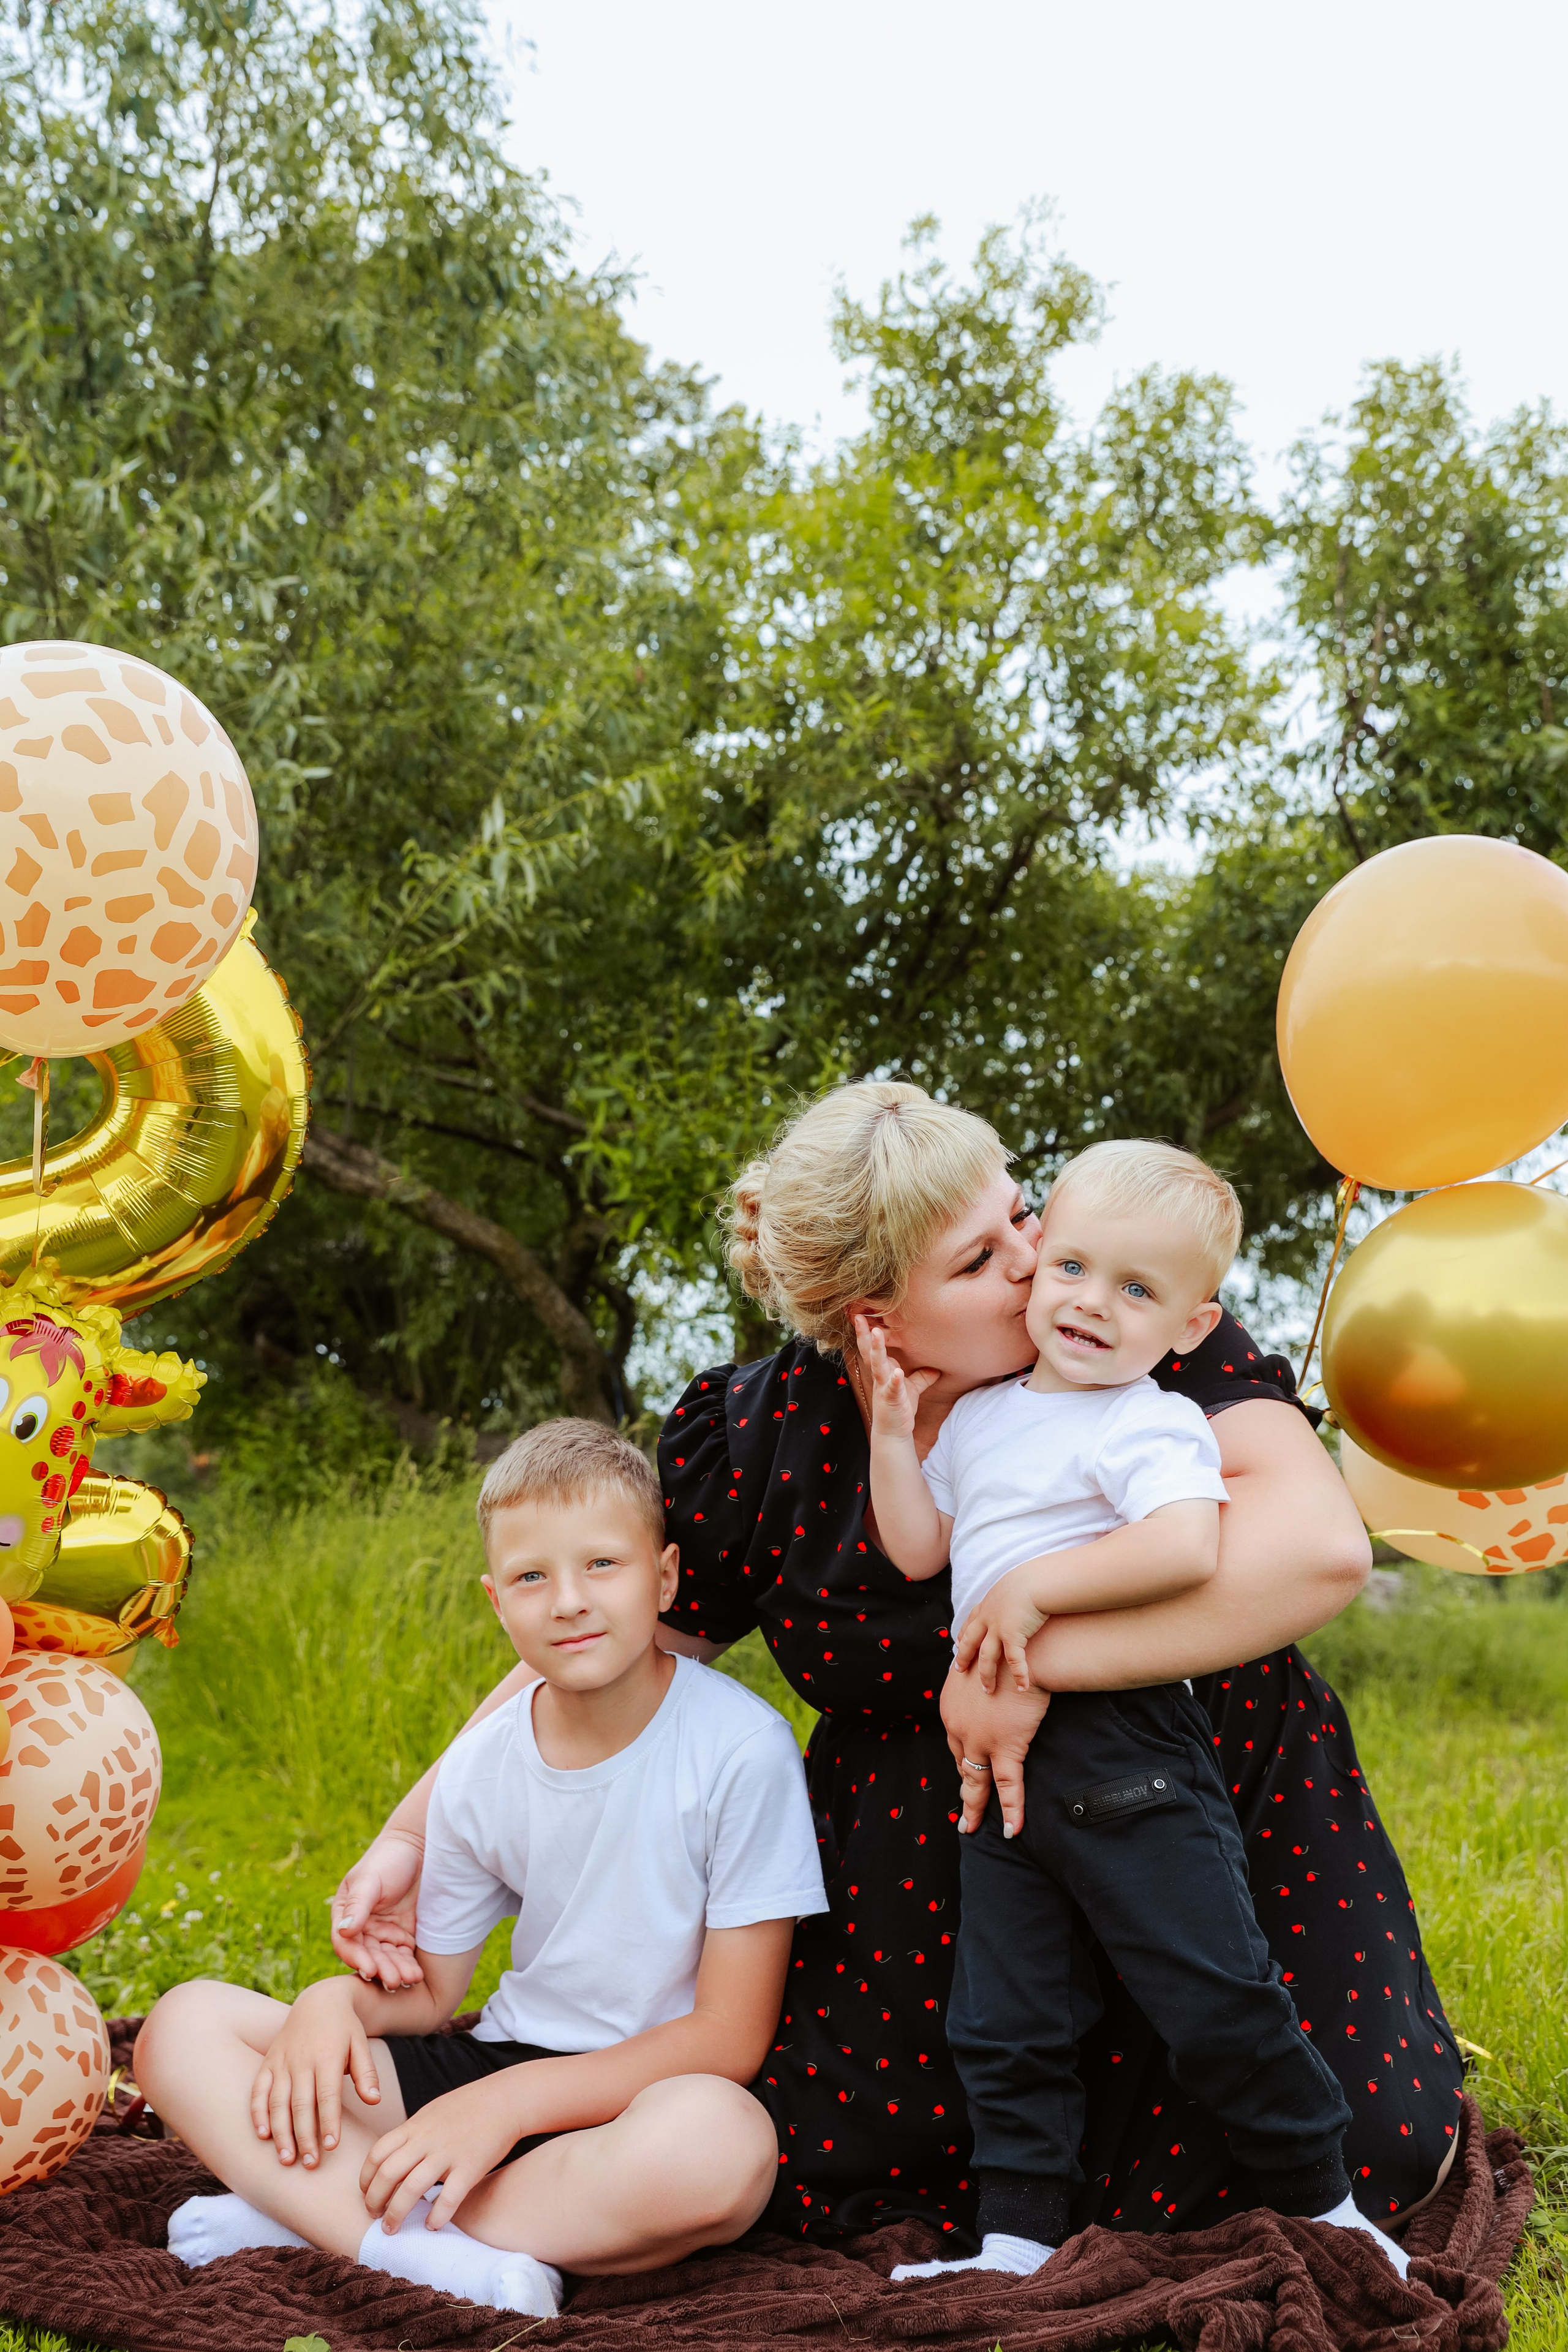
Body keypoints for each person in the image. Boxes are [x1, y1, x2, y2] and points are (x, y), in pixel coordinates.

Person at [330, 1082, 1464, 2250]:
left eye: (1023, 1213)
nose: (1035, 1263)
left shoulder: (1126, 1304)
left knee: (1371, 2151)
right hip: (935, 1878)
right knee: (831, 2170)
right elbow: (606, 1649)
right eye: (984, 1257)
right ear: (879, 1319)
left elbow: (1318, 1554)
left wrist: (1025, 1661)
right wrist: (415, 1833)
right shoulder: (767, 1433)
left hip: (1187, 1789)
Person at [862, 1139, 1404, 2283]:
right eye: (1070, 1267)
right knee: (1004, 2016)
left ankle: (1327, 2205)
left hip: (1124, 1749)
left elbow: (1185, 1541)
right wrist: (889, 1432)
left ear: (1193, 1327)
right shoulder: (987, 1421)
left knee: (1211, 1987)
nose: (1091, 1305)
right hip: (998, 1778)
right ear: (1040, 1261)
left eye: (1138, 1290)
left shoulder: (1146, 1421)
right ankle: (1015, 2238)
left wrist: (1039, 1590)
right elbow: (921, 1548)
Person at [134, 1422, 826, 2315]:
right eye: (533, 1578)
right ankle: (414, 2244)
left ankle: (326, 2216)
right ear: (499, 1605)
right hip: (489, 2063)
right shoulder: (482, 1763)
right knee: (183, 2026)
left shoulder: (742, 1749)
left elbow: (729, 2037)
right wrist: (332, 2003)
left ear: (665, 1579)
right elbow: (429, 1994)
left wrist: (503, 2111)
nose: (569, 1601)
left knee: (723, 2153)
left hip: (641, 2097)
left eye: (603, 1566)